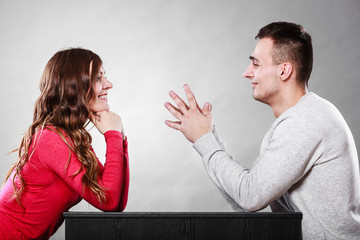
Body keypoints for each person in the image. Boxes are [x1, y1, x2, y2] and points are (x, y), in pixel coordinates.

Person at [164, 22, 360, 239]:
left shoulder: (305, 121)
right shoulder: (299, 118)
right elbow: (245, 200)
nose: (247, 73)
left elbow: (250, 196)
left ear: (284, 70)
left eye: (256, 64)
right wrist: (209, 137)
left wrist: (203, 138)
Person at [0, 48, 129, 239]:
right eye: (98, 78)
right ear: (74, 87)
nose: (109, 84)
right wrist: (112, 136)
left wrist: (120, 138)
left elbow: (114, 202)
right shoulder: (51, 138)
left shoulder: (72, 138)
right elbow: (109, 201)